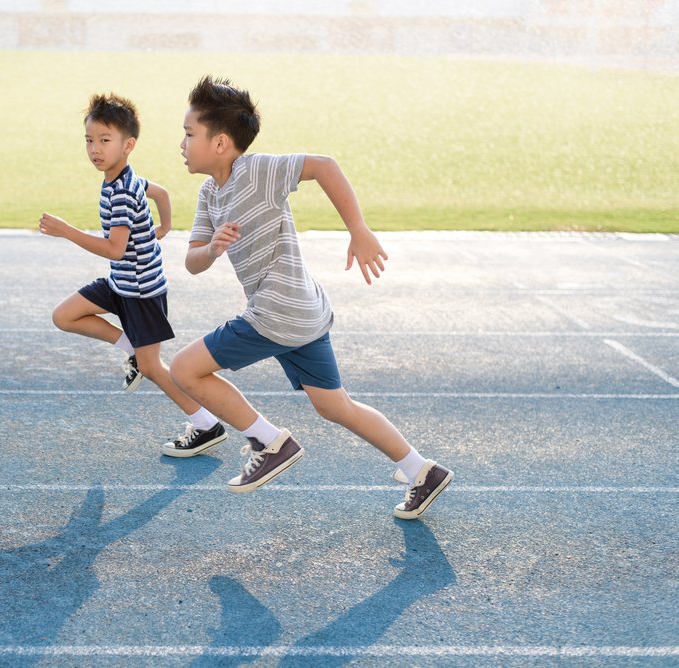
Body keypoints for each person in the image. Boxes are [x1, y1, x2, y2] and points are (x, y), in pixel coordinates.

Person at [168, 76, 453, 519]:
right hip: (303, 312)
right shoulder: (209, 194)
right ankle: (421, 470)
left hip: (278, 313)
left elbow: (324, 165)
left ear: (221, 142)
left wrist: (359, 229)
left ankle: (268, 441)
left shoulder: (257, 171)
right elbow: (192, 262)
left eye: (189, 135)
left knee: (185, 369)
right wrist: (213, 247)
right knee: (334, 405)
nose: (181, 145)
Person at [39, 93, 228, 456]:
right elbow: (162, 193)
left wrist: (67, 231)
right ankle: (130, 350)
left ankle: (207, 424)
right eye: (89, 140)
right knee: (65, 315)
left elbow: (115, 249)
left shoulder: (122, 192)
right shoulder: (125, 178)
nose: (95, 149)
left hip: (140, 292)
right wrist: (166, 225)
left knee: (153, 367)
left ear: (128, 145)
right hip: (122, 282)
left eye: (104, 141)